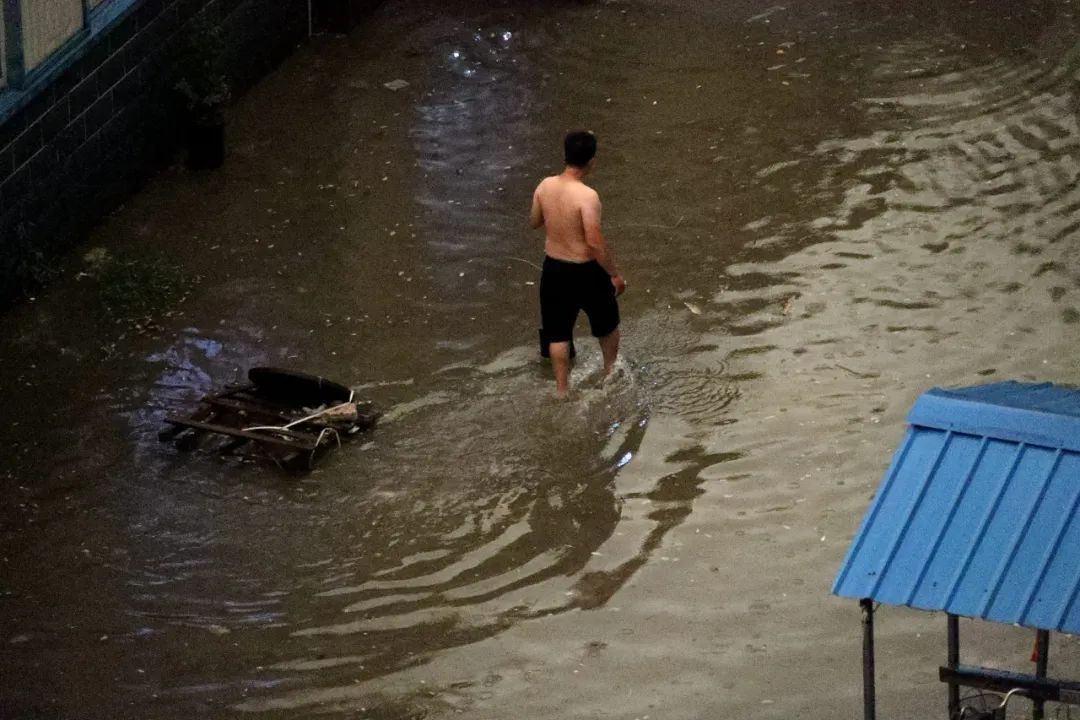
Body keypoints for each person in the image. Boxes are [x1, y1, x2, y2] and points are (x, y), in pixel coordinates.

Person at [530, 131, 626, 397]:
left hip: (554, 268)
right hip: (585, 271)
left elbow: (535, 221)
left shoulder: (544, 186)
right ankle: (610, 376)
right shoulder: (587, 196)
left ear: (565, 155)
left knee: (558, 333)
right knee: (607, 326)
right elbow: (594, 242)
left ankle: (562, 390)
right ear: (591, 161)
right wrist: (615, 275)